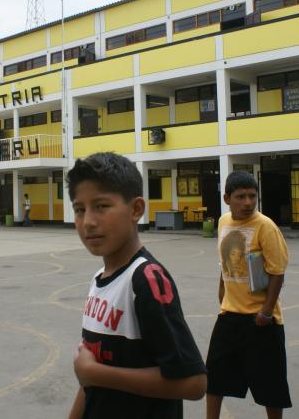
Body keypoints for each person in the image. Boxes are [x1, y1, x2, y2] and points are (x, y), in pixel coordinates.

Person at [66, 152, 207, 419]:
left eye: (101, 206)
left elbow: (194, 383)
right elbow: (90, 377)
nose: (88, 222)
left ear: (136, 209)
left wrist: (97, 374)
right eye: (79, 209)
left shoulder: (146, 280)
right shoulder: (100, 279)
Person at [206, 170, 291, 419]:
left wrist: (266, 312)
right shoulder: (223, 222)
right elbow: (225, 260)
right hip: (229, 314)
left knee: (270, 386)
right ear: (226, 198)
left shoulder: (266, 227)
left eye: (252, 196)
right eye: (240, 197)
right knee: (214, 378)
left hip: (261, 320)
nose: (247, 203)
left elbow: (277, 273)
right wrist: (221, 288)